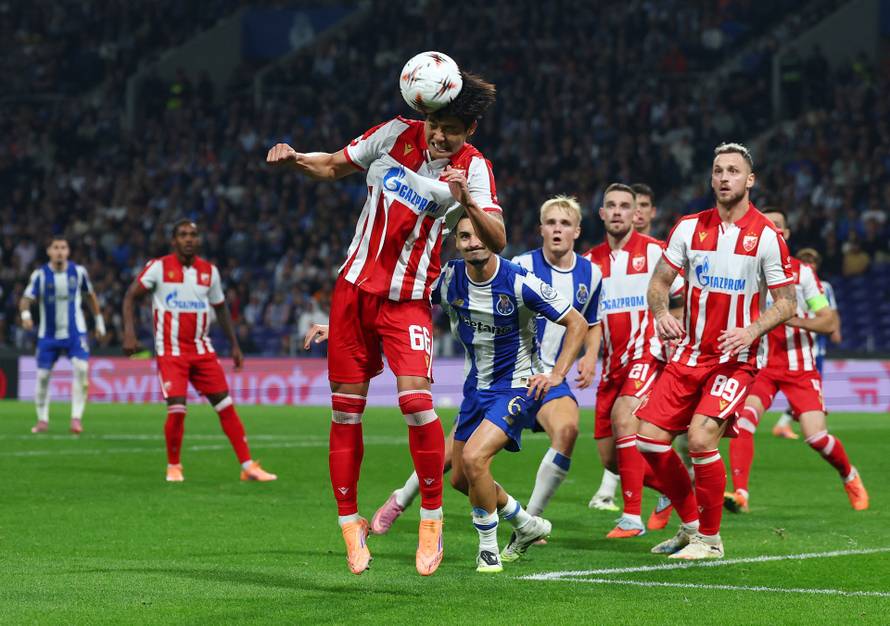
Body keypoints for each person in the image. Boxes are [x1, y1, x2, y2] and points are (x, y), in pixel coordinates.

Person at [266, 68, 505, 576]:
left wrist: (464, 199)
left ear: (469, 131)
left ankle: (431, 521)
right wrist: (296, 158)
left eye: (452, 131)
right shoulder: (394, 133)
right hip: (353, 292)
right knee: (345, 413)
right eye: (435, 125)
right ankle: (349, 524)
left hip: (408, 300)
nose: (439, 136)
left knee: (416, 405)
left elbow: (498, 237)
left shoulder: (474, 168)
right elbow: (334, 165)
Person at [368, 196, 602, 545]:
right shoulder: (516, 265)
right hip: (483, 381)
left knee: (565, 431)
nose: (557, 230)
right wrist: (351, 326)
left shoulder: (589, 273)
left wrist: (582, 359)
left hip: (539, 376)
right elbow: (407, 301)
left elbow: (588, 321)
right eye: (551, 222)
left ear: (577, 231)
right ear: (540, 229)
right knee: (458, 470)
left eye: (565, 223)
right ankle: (408, 497)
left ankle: (520, 526)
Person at [636, 142, 797, 560]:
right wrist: (661, 313)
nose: (725, 178)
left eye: (733, 171)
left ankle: (710, 540)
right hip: (688, 354)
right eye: (718, 171)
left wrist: (751, 330)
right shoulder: (689, 228)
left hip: (735, 360)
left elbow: (787, 302)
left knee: (700, 437)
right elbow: (659, 282)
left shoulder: (766, 236)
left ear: (750, 180)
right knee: (649, 441)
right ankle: (691, 527)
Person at [725, 212, 868, 513]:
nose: (771, 230)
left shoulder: (802, 273)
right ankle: (740, 494)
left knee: (816, 437)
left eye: (777, 226)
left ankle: (849, 475)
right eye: (765, 225)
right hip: (761, 366)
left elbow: (828, 321)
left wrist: (792, 320)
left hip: (799, 368)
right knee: (743, 422)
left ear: (787, 233)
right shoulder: (745, 269)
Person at [122, 219, 277, 484]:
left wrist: (235, 345)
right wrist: (129, 332)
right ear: (174, 241)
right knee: (177, 409)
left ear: (199, 239)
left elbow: (221, 308)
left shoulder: (209, 272)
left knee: (226, 406)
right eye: (183, 234)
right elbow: (130, 296)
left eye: (193, 234)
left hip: (202, 350)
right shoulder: (158, 268)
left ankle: (248, 466)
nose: (188, 239)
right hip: (171, 351)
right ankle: (174, 466)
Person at [584, 184, 680, 538]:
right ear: (602, 214)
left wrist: (675, 334)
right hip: (612, 365)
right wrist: (588, 355)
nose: (618, 211)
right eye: (611, 205)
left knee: (624, 418)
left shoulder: (656, 252)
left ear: (635, 213)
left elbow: (684, 296)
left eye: (625, 205)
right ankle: (675, 488)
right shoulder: (589, 262)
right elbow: (588, 319)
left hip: (647, 355)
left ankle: (631, 518)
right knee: (611, 459)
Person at [20, 235, 106, 434]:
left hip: (75, 333)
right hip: (48, 335)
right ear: (49, 251)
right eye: (56, 247)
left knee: (82, 370)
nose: (59, 251)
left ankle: (76, 419)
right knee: (42, 377)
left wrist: (99, 322)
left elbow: (90, 296)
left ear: (68, 252)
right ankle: (42, 420)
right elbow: (25, 299)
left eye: (63, 247)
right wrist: (25, 315)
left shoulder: (78, 272)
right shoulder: (40, 275)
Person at [772, 247, 842, 439]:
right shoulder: (789, 283)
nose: (810, 264)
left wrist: (835, 330)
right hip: (789, 344)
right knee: (805, 389)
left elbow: (831, 312)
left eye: (813, 261)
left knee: (811, 388)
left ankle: (788, 423)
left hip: (813, 345)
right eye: (806, 261)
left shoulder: (824, 286)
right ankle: (797, 424)